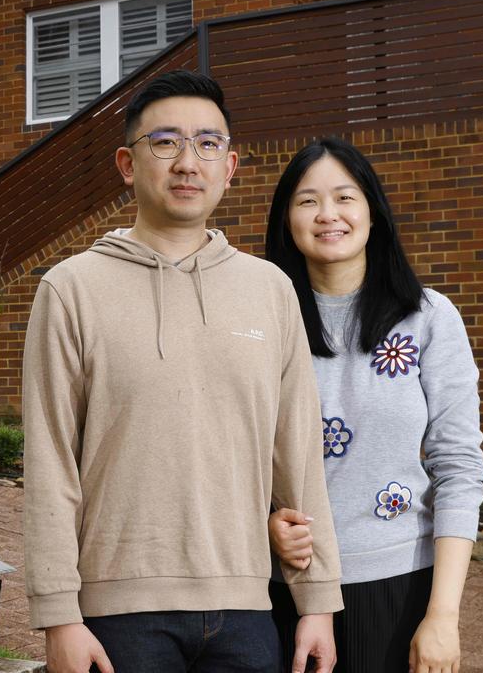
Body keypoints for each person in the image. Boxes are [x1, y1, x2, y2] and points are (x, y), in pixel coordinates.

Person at [22, 70, 344, 673]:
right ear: (127, 163)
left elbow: (298, 457)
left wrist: (318, 603)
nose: (187, 161)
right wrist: (59, 615)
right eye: (165, 142)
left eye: (207, 143)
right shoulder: (71, 290)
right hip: (118, 615)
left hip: (248, 609)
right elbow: (50, 465)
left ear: (231, 165)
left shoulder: (270, 291)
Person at [263, 138, 483, 673]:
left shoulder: (428, 317)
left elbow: (459, 466)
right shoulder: (261, 320)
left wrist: (443, 616)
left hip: (399, 585)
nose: (328, 215)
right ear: (286, 219)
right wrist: (262, 523)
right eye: (307, 201)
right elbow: (226, 454)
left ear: (372, 212)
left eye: (345, 197)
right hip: (280, 589)